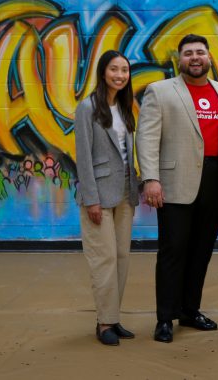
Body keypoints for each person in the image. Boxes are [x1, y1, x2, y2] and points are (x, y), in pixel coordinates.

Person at [136, 34, 218, 343]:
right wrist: (151, 178)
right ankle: (165, 318)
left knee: (201, 252)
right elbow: (147, 137)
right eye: (189, 53)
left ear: (209, 58)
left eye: (200, 53)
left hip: (216, 182)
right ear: (179, 59)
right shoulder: (160, 91)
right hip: (175, 183)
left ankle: (190, 310)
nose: (195, 58)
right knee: (173, 251)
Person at [74, 50, 140, 346]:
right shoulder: (87, 107)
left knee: (121, 258)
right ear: (103, 73)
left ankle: (113, 316)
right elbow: (84, 158)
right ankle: (104, 323)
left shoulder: (126, 108)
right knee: (104, 259)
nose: (120, 75)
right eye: (114, 70)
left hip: (125, 192)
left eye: (124, 71)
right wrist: (91, 199)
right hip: (99, 195)